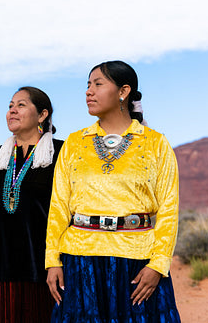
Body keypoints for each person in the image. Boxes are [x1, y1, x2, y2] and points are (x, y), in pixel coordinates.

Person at [46, 60, 181, 322]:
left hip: (136, 261)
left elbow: (169, 207)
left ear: (123, 91)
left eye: (98, 84)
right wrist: (53, 259)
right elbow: (58, 205)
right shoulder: (75, 143)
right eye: (87, 85)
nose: (89, 92)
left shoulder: (155, 143)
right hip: (81, 259)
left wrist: (158, 264)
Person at [0, 86, 63, 322]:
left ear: (43, 114)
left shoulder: (61, 154)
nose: (12, 111)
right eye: (10, 106)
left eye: (21, 105)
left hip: (46, 271)